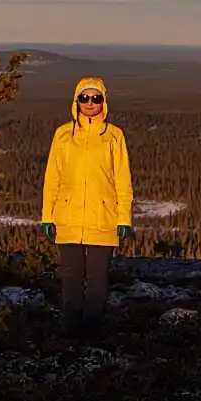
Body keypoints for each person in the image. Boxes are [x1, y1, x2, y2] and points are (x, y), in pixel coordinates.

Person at [40, 77, 133, 333]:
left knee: (97, 280)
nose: (90, 103)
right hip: (67, 217)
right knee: (70, 278)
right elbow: (52, 178)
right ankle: (69, 330)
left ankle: (92, 330)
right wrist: (48, 216)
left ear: (104, 101)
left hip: (103, 217)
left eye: (96, 98)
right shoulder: (62, 134)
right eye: (84, 98)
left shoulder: (114, 135)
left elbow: (122, 180)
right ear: (76, 101)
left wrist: (124, 218)